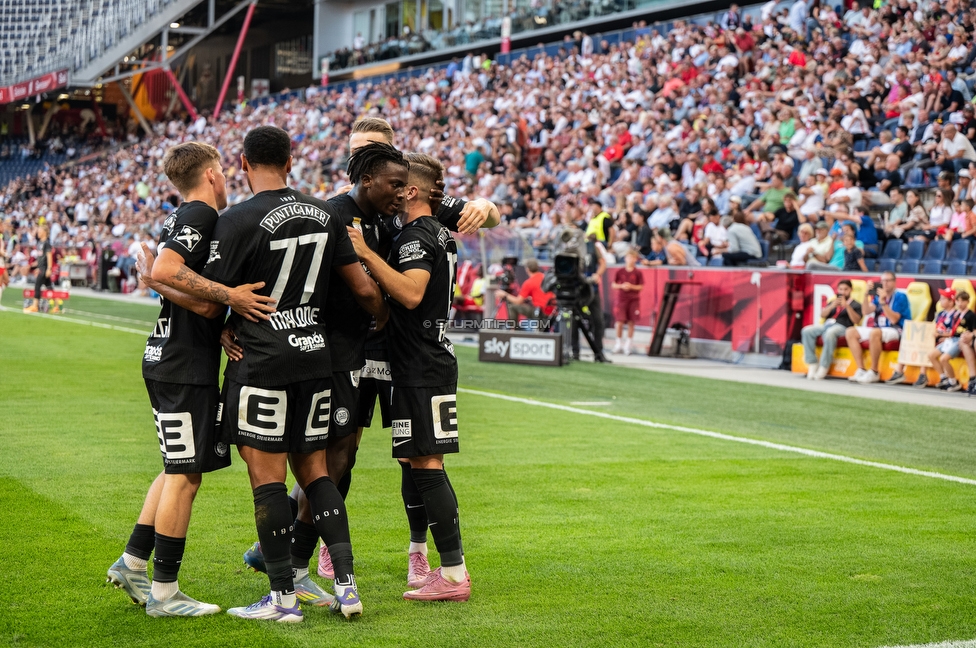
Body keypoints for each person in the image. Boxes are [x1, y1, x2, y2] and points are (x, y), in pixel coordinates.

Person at [205, 126, 387, 621]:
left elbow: (208, 295)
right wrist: (380, 318)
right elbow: (363, 290)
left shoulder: (236, 220)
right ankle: (347, 588)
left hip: (262, 358)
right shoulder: (326, 213)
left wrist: (224, 323)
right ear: (292, 158)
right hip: (317, 357)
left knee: (267, 478)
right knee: (316, 472)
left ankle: (283, 598)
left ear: (243, 163)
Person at [106, 142, 273, 617]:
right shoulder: (201, 213)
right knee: (185, 475)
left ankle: (133, 563)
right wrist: (229, 297)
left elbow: (189, 295)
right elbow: (168, 271)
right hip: (181, 366)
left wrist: (216, 315)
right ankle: (164, 594)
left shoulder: (182, 215)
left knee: (176, 467)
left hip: (171, 356)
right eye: (223, 172)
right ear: (214, 173)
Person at [347, 152, 471, 602]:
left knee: (427, 465)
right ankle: (444, 567)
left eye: (402, 187)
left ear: (413, 191)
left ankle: (453, 575)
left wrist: (363, 253)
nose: (395, 193)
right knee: (421, 464)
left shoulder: (418, 235)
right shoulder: (439, 231)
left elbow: (412, 293)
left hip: (420, 365)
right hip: (425, 361)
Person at [845, 271, 912, 384]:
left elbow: (894, 319)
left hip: (896, 329)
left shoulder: (901, 296)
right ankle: (861, 369)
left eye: (888, 281)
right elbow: (866, 311)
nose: (884, 283)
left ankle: (874, 371)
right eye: (883, 281)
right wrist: (866, 295)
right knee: (850, 331)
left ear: (894, 282)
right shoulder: (877, 297)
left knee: (875, 332)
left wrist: (883, 303)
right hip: (879, 328)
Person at [800, 279, 862, 380]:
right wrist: (832, 306)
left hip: (843, 327)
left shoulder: (856, 304)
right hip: (827, 325)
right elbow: (822, 315)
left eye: (845, 289)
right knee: (806, 331)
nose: (842, 292)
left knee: (830, 333)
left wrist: (847, 306)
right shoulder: (833, 301)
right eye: (840, 289)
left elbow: (857, 321)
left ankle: (824, 366)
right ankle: (812, 362)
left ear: (851, 290)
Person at [924, 290, 975, 392]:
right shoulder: (956, 315)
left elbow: (972, 330)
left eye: (963, 301)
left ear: (968, 302)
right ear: (955, 301)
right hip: (951, 339)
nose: (960, 304)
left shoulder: (970, 315)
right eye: (958, 301)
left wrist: (970, 335)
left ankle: (953, 382)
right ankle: (944, 378)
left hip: (960, 341)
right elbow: (952, 330)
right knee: (931, 355)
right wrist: (944, 335)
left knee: (943, 359)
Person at [497, 257, 555, 322]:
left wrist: (505, 294)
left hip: (540, 312)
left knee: (512, 307)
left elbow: (518, 301)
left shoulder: (529, 283)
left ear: (527, 269)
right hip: (551, 310)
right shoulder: (544, 277)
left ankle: (514, 330)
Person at [611, 248, 644, 355]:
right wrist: (622, 286)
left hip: (633, 300)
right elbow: (614, 284)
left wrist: (631, 287)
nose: (630, 260)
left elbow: (641, 286)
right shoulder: (620, 271)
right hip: (622, 299)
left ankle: (628, 345)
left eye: (632, 258)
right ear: (625, 258)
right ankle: (618, 344)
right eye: (628, 257)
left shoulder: (638, 273)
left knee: (631, 322)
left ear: (635, 259)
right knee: (619, 322)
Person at [23, 225, 53, 313]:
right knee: (49, 287)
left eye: (39, 231)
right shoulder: (39, 243)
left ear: (44, 232)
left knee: (37, 285)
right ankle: (56, 305)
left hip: (44, 269)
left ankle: (35, 305)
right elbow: (40, 258)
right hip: (40, 268)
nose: (38, 233)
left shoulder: (46, 243)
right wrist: (32, 265)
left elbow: (49, 256)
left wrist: (49, 269)